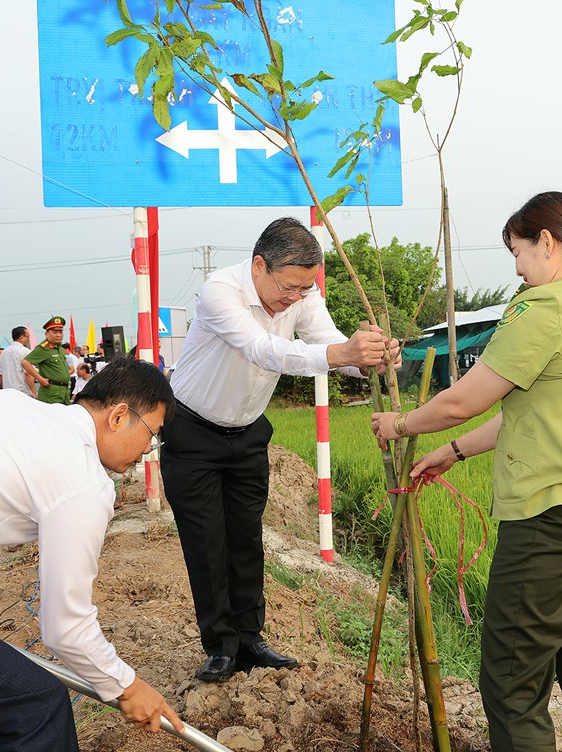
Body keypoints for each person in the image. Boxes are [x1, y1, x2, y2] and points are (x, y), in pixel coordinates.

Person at [372, 192, 562, 752]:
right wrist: (455, 452)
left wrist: (401, 424)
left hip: (549, 520)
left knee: (512, 681)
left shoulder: (543, 309)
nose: (515, 267)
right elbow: (531, 413)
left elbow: (461, 401)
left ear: (546, 242)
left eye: (517, 250)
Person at [0, 357, 185, 751]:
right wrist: (127, 686)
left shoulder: (9, 404)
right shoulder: (81, 476)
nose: (150, 449)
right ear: (118, 416)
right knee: (35, 709)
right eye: (153, 433)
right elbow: (66, 628)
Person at [161, 216, 401, 683]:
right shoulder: (220, 291)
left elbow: (328, 341)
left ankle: (250, 638)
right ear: (258, 266)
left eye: (304, 290)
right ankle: (220, 647)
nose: (294, 299)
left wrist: (369, 356)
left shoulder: (303, 295)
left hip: (247, 433)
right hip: (192, 434)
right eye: (289, 288)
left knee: (247, 538)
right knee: (208, 545)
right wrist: (341, 356)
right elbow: (263, 350)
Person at [23, 316, 72, 405]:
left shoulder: (59, 347)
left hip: (64, 391)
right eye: (54, 332)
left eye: (60, 332)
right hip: (51, 392)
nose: (58, 335)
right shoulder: (43, 348)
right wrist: (40, 379)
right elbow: (25, 362)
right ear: (46, 334)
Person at [1, 326, 36, 397]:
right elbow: (28, 374)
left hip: (7, 392)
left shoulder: (4, 352)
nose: (28, 340)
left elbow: (1, 375)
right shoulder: (25, 351)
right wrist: (34, 392)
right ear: (21, 337)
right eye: (28, 337)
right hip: (22, 392)